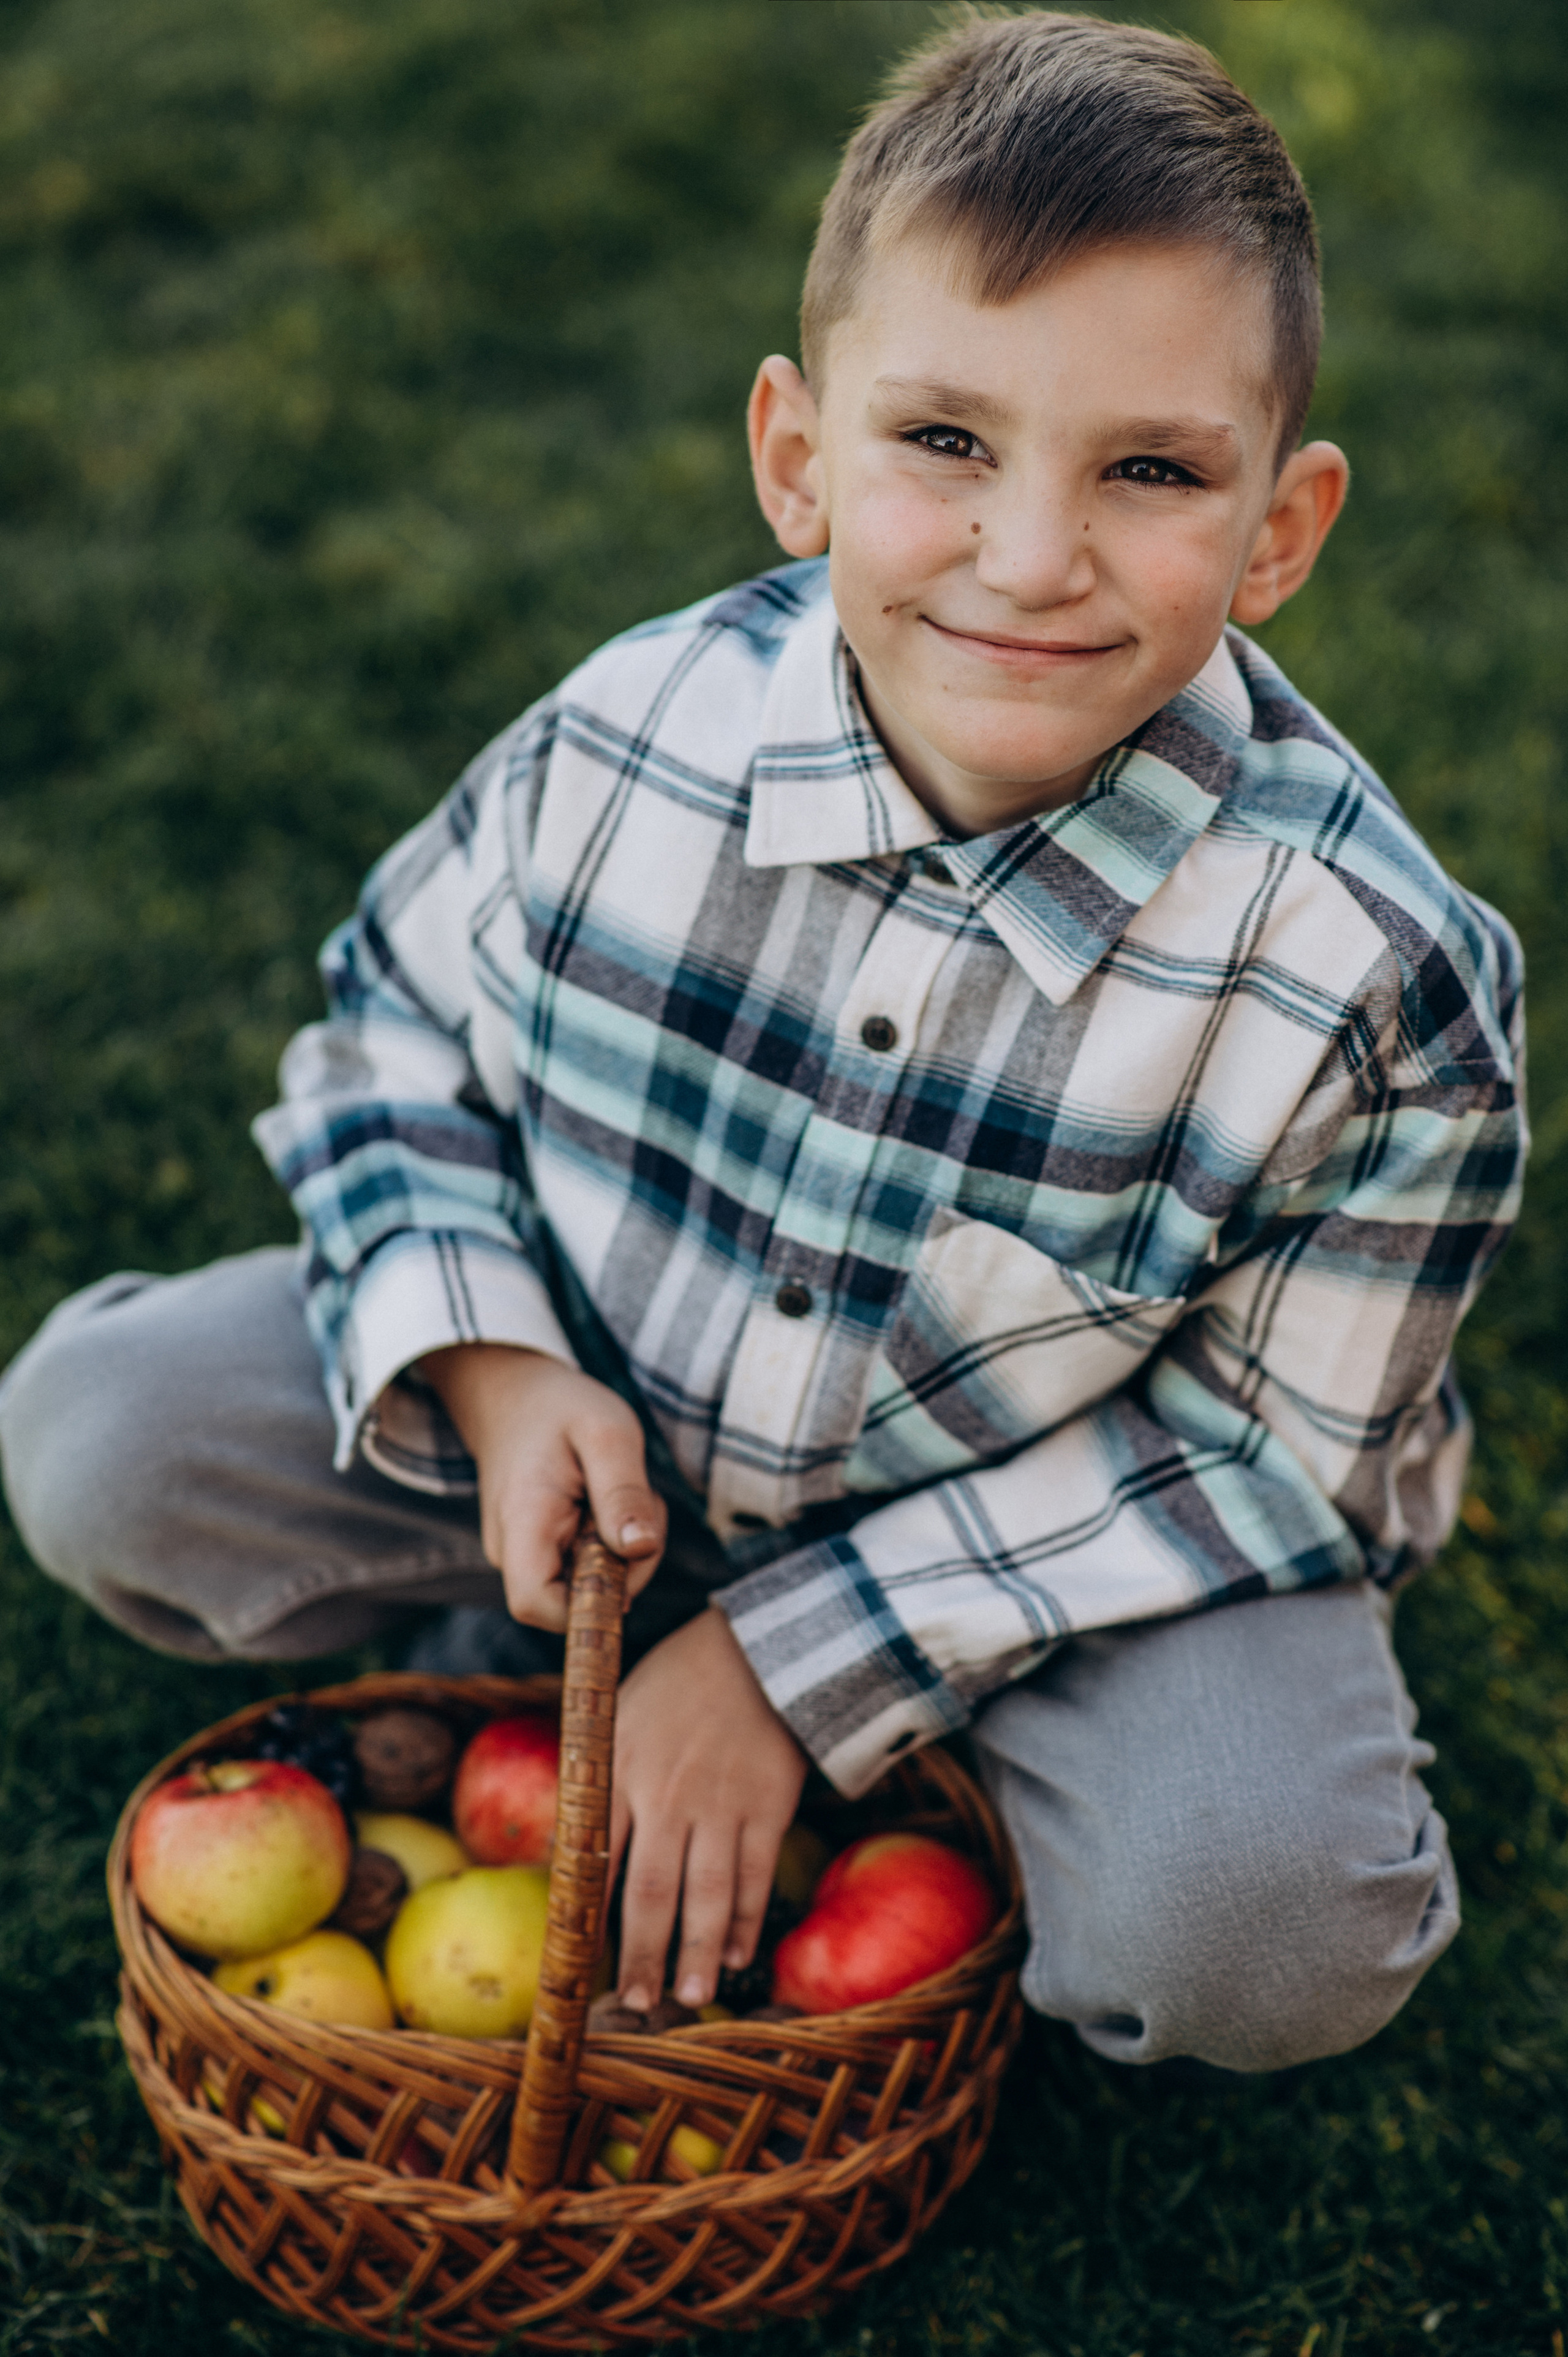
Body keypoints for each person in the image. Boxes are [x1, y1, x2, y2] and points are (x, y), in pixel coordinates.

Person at [0, 12, 1526, 2074]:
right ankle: (554, 1646)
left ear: (1279, 529)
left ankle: (851, 1744)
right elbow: (386, 1036)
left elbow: (1269, 1462)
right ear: (799, 457)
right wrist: (489, 1354)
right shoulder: (630, 739)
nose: (1031, 555)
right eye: (947, 445)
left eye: (1149, 471)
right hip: (615, 1450)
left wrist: (796, 1667)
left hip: (1039, 1537)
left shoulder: (1375, 978)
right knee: (104, 1434)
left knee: (1263, 1927)